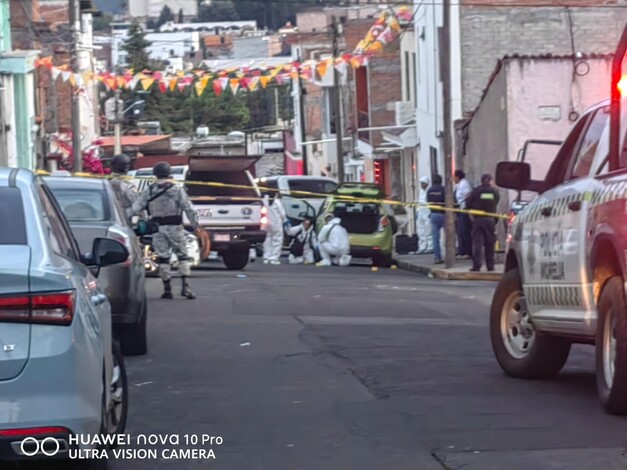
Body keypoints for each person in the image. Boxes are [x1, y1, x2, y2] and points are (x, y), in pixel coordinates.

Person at [128, 161, 200, 300]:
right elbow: (188, 208)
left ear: (155, 174)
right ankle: (186, 288)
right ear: (169, 173)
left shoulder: (149, 190)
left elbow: (136, 208)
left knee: (163, 258)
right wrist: (196, 225)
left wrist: (124, 218)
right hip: (175, 227)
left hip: (157, 228)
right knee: (182, 256)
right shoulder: (177, 189)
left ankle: (167, 289)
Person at [466, 173, 500, 272]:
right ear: (489, 181)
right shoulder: (494, 192)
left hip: (478, 220)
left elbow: (468, 203)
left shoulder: (475, 191)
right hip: (490, 220)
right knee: (490, 244)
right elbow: (496, 201)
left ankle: (477, 266)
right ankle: (490, 266)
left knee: (477, 243)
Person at [262, 192, 287, 265]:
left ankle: (266, 257)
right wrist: (285, 220)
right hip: (276, 223)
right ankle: (274, 258)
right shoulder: (276, 201)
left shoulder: (264, 200)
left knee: (267, 240)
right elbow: (282, 213)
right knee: (277, 239)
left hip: (266, 223)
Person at [426, 174, 446, 265]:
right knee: (449, 237)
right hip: (444, 215)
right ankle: (450, 255)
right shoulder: (444, 189)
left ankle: (437, 257)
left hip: (433, 214)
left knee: (435, 239)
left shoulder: (429, 190)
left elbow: (428, 202)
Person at [454, 170, 473, 258]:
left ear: (457, 177)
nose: (453, 179)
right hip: (460, 210)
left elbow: (467, 195)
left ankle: (468, 252)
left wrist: (463, 203)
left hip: (464, 209)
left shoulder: (464, 184)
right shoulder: (458, 185)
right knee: (460, 231)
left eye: (454, 177)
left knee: (465, 231)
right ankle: (462, 251)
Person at [416, 176, 433, 253]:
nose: (422, 185)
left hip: (427, 212)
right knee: (420, 230)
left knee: (428, 230)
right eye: (421, 183)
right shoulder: (421, 191)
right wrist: (417, 211)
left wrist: (430, 212)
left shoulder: (428, 191)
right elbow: (419, 202)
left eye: (423, 183)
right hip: (421, 211)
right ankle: (422, 246)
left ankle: (430, 246)